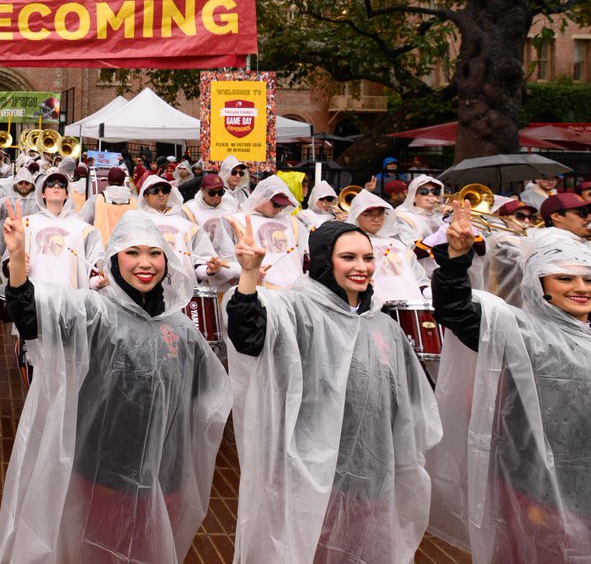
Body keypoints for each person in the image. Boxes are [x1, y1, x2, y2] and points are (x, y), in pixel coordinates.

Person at [0, 206, 230, 563]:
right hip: (102, 474)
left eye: (154, 253)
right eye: (132, 252)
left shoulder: (181, 329)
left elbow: (204, 393)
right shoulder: (93, 312)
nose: (145, 263)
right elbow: (30, 315)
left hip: (165, 478)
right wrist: (15, 259)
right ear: (115, 259)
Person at [226, 218, 441, 562]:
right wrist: (249, 275)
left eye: (367, 258)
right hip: (308, 474)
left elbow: (407, 400)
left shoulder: (382, 323)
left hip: (371, 475)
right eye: (348, 257)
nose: (361, 267)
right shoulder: (296, 309)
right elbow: (247, 335)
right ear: (325, 261)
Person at [427, 207, 591, 562]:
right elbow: (456, 310)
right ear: (539, 284)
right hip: (534, 488)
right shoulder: (519, 331)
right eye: (564, 278)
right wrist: (456, 260)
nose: (580, 288)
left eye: (587, 279)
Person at [136, 174, 232, 285]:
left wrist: (208, 270)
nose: (161, 194)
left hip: (181, 287)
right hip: (145, 284)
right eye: (155, 191)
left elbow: (200, 261)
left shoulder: (187, 226)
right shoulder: (136, 222)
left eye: (165, 190)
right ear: (146, 196)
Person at [78, 166, 136, 244]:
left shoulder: (95, 199)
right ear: (123, 182)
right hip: (128, 246)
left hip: (102, 247)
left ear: (108, 181)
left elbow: (81, 221)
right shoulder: (134, 201)